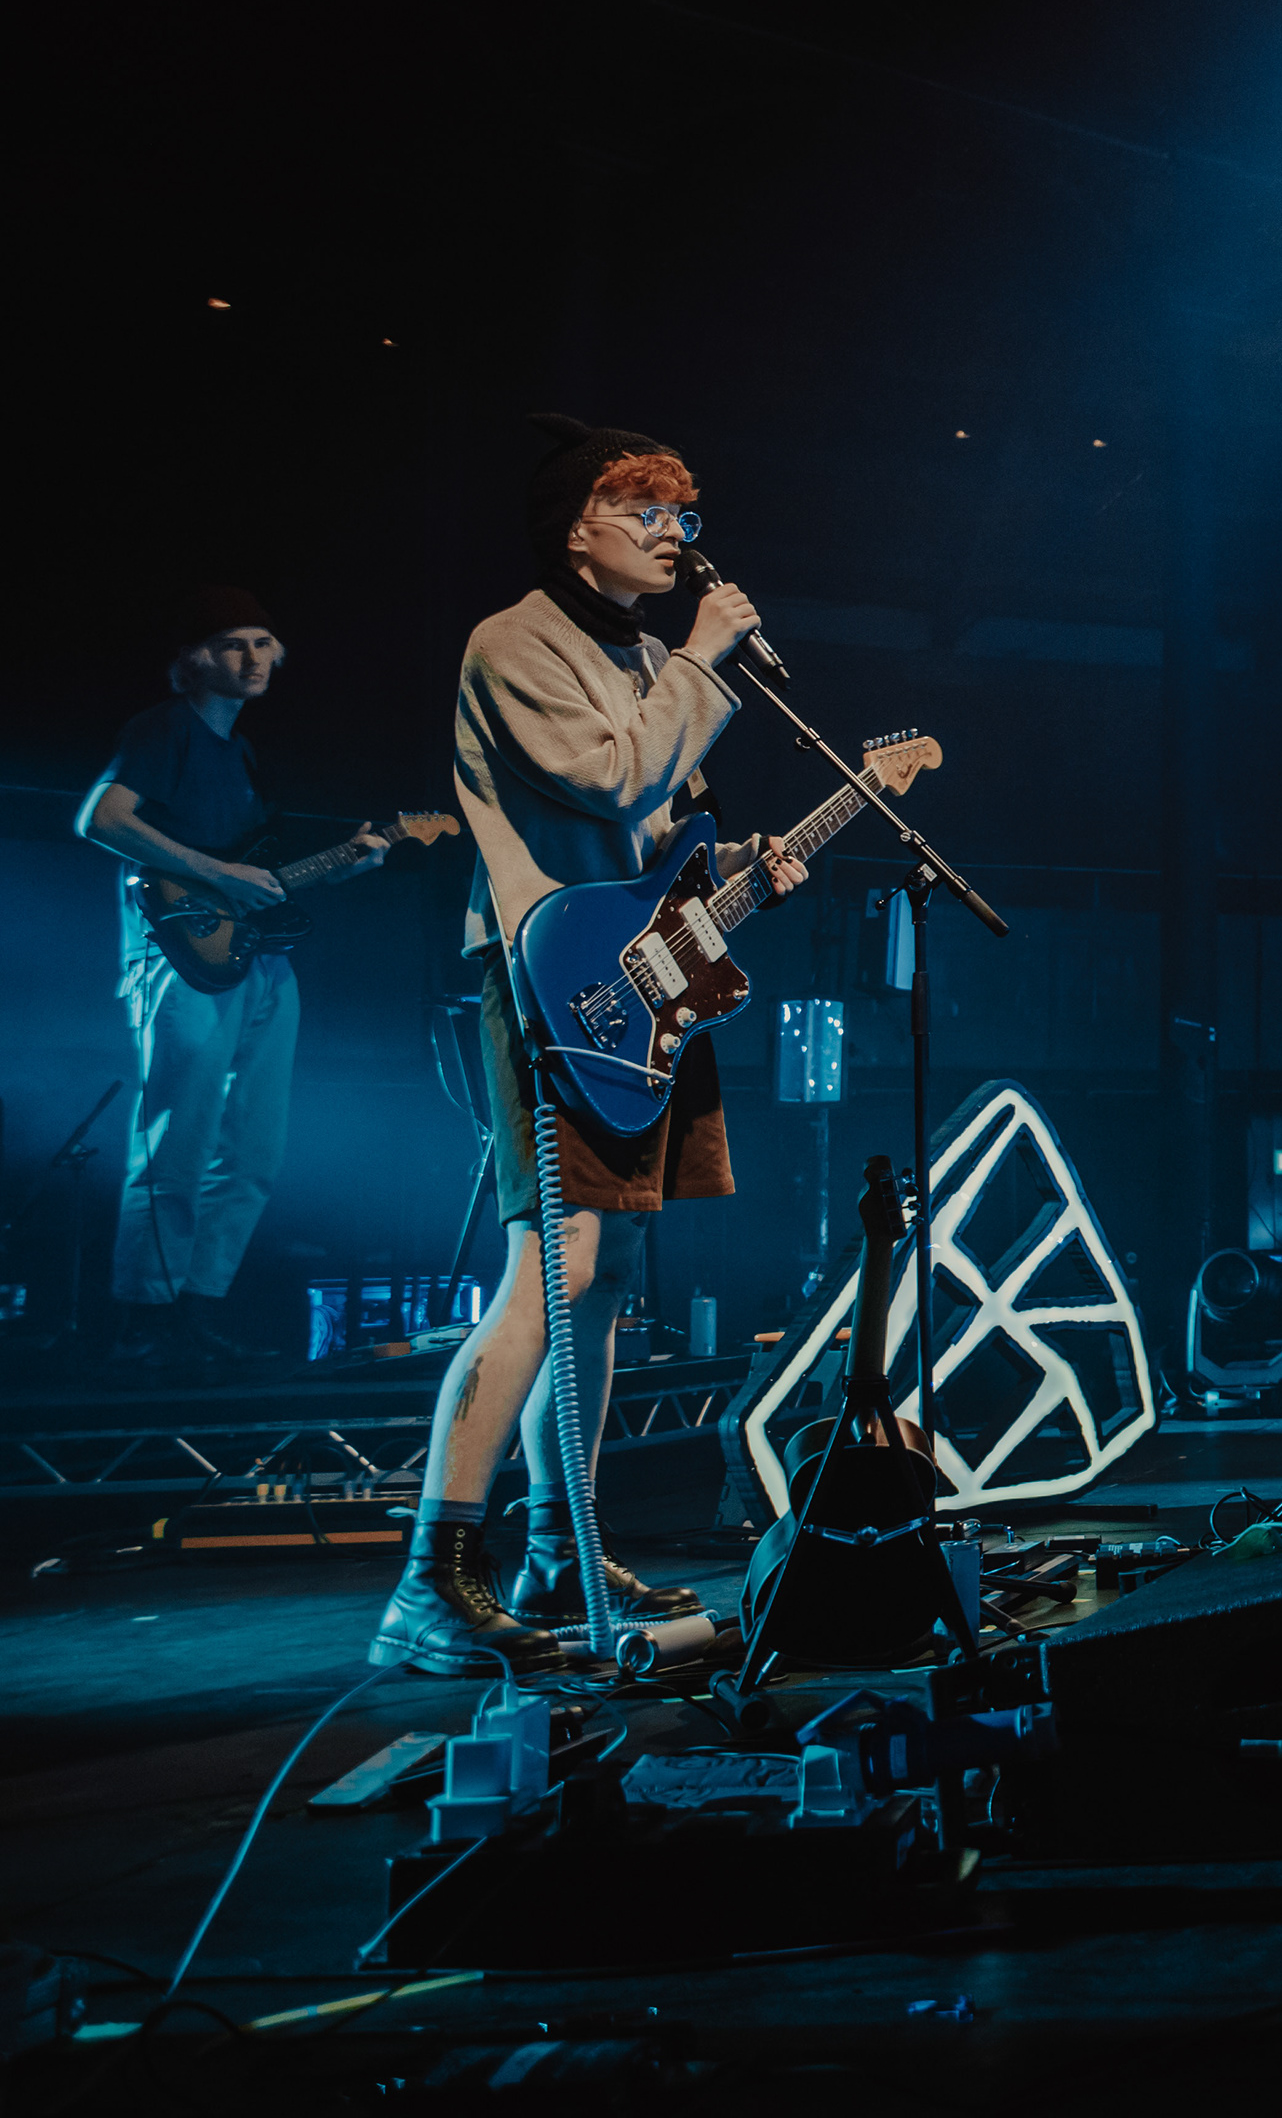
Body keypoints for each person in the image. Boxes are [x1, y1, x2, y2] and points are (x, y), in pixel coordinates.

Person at [369, 419, 804, 1676]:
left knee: (606, 1272)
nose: (678, 533)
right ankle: (430, 1575)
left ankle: (562, 1540)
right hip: (545, 981)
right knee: (550, 1261)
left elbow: (652, 828)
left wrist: (741, 870)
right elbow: (606, 780)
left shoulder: (641, 655)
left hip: (632, 985)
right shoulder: (512, 645)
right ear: (577, 529)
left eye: (682, 510)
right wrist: (710, 665)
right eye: (646, 511)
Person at [75, 591, 399, 1372]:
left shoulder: (243, 755)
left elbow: (256, 883)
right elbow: (100, 818)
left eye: (263, 643)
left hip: (254, 960)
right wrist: (216, 871)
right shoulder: (163, 728)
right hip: (175, 953)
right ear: (193, 661)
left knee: (254, 1147)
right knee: (175, 1140)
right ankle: (142, 1322)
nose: (253, 659)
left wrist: (350, 861)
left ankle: (197, 1312)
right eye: (231, 645)